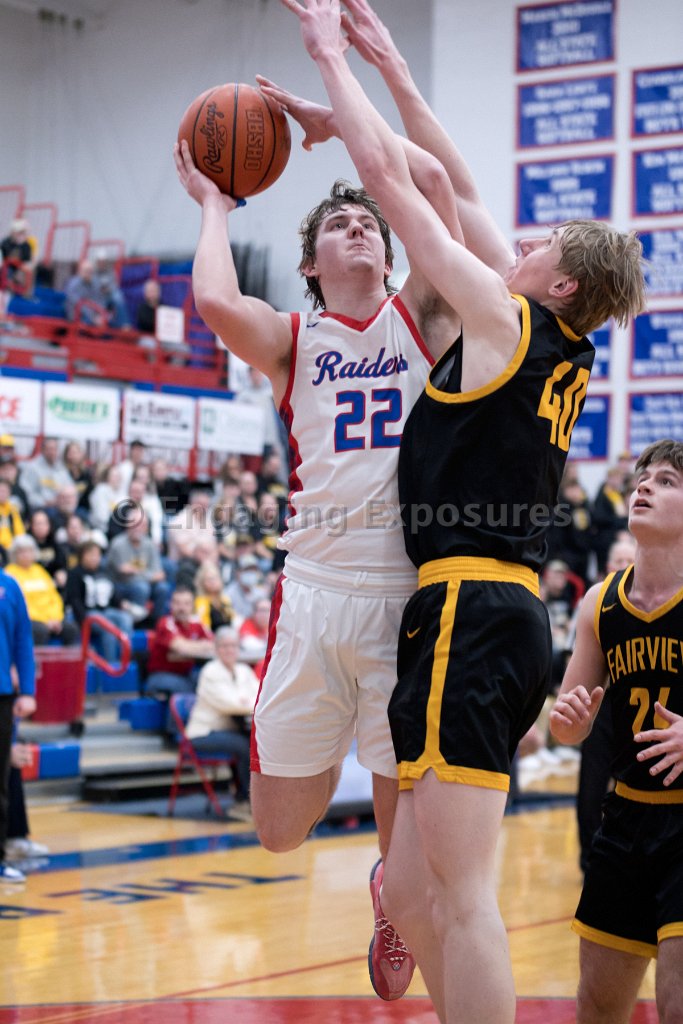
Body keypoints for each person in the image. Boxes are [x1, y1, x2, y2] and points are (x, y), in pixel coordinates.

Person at [278, 1, 647, 1020]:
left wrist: (328, 56)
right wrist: (386, 64)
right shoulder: (546, 335)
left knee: (462, 896)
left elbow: (399, 188)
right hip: (470, 614)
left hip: (470, 615)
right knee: (407, 891)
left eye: (536, 243)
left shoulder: (503, 317)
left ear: (557, 279)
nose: (513, 242)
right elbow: (455, 184)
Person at [174, 23, 462, 1004]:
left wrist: (342, 121)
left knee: (397, 809)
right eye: (338, 225)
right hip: (311, 590)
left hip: (405, 594)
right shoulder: (293, 337)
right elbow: (216, 304)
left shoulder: (421, 313)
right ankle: (384, 870)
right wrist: (214, 206)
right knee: (276, 830)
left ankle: (391, 895)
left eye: (367, 222)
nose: (358, 228)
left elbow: (431, 189)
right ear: (310, 263)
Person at [549, 439, 683, 1024]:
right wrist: (569, 724)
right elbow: (566, 729)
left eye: (667, 480)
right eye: (642, 478)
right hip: (625, 817)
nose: (645, 485)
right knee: (597, 1005)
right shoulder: (600, 605)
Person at [574, 533, 636, 874]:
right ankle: (590, 862)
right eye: (618, 561)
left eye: (629, 560)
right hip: (600, 705)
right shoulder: (596, 603)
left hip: (637, 707)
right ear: (608, 566)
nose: (623, 566)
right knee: (590, 790)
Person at [186, 626, 259, 822]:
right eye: (224, 646)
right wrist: (245, 701)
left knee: (258, 742)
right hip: (204, 733)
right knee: (245, 746)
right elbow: (229, 704)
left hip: (232, 729)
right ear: (216, 649)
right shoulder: (209, 672)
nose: (229, 650)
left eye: (233, 646)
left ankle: (258, 799)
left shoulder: (244, 670)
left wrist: (245, 701)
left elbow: (260, 696)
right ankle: (244, 801)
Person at [0, 565, 36, 883]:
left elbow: (23, 639)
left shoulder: (9, 587)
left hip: (2, 695)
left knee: (1, 780)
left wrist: (27, 690)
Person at [65, 540, 134, 665]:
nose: (94, 558)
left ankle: (126, 659)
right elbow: (74, 600)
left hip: (106, 610)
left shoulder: (104, 572)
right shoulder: (75, 573)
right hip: (88, 613)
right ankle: (111, 665)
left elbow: (112, 594)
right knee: (107, 627)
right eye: (91, 554)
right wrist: (83, 620)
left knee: (125, 619)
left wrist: (121, 603)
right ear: (82, 556)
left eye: (97, 555)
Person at [5, 535, 79, 646]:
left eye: (29, 551)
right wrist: (45, 621)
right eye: (21, 551)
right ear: (14, 554)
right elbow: (20, 604)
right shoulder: (9, 574)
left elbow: (54, 597)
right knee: (39, 631)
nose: (26, 555)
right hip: (28, 618)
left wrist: (56, 618)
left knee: (71, 629)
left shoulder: (40, 571)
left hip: (51, 618)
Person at [145, 586, 215, 698]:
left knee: (211, 680)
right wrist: (200, 646)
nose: (182, 608)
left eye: (186, 603)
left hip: (186, 674)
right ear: (170, 605)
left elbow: (213, 644)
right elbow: (181, 647)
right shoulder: (165, 623)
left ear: (192, 606)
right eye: (177, 603)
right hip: (161, 675)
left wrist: (187, 647)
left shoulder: (197, 622)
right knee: (191, 690)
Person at [19, 438, 72, 512]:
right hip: (40, 508)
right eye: (49, 449)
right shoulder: (33, 468)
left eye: (54, 449)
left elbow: (70, 488)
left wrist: (64, 501)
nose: (52, 452)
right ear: (42, 450)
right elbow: (25, 492)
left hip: (61, 507)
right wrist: (44, 502)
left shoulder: (61, 468)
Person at [1, 218, 35, 297]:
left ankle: (26, 294)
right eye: (19, 232)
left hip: (17, 270)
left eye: (23, 233)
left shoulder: (26, 246)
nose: (20, 235)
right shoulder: (5, 243)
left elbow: (28, 263)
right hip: (5, 270)